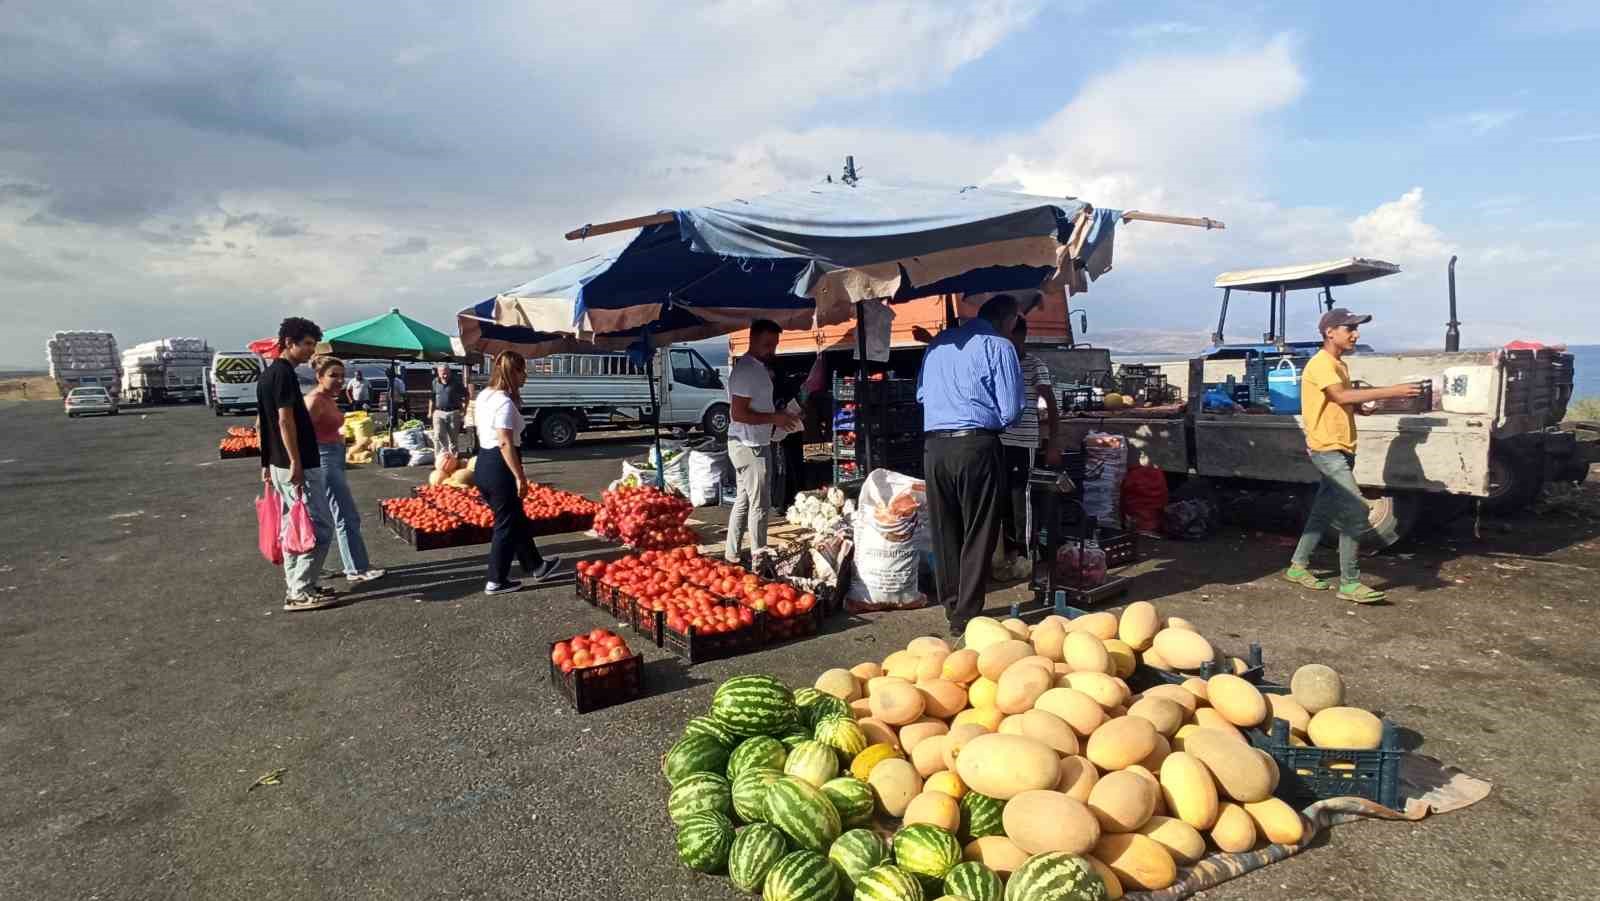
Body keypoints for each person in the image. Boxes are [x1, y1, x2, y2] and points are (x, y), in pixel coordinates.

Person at [1285, 308, 1423, 604]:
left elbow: (1339, 402)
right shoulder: (1322, 364)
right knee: (1356, 510)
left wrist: (1361, 408)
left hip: (1343, 448)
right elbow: (1341, 396)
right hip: (1327, 449)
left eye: (1356, 328)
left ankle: (1297, 566)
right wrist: (1393, 391)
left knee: (1323, 510)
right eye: (1349, 328)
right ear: (1329, 332)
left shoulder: (1338, 365)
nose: (1355, 333)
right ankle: (1349, 582)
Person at [918, 294, 1025, 636]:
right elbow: (1010, 410)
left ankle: (951, 603)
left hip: (934, 446)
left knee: (945, 527)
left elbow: (921, 395)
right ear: (1008, 321)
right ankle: (967, 613)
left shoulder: (937, 344)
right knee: (979, 527)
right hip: (976, 443)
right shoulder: (1000, 346)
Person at [258, 317, 339, 611]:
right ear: (289, 343)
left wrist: (266, 462)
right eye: (306, 344)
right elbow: (282, 420)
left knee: (294, 526)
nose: (310, 351)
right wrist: (295, 461)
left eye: (312, 345)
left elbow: (262, 425)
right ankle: (301, 590)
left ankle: (300, 584)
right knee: (319, 526)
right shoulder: (284, 376)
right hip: (297, 463)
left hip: (280, 463)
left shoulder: (268, 375)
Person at [474, 351, 559, 595]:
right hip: (499, 467)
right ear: (513, 372)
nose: (526, 377)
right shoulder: (503, 402)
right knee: (506, 524)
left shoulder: (484, 396)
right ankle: (495, 580)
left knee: (515, 518)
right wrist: (519, 476)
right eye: (523, 371)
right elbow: (505, 442)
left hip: (483, 464)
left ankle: (537, 565)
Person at [725, 319, 803, 566]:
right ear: (752, 340)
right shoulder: (746, 371)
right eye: (767, 344)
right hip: (749, 446)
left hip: (751, 442)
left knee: (744, 500)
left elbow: (757, 407)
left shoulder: (757, 368)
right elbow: (738, 413)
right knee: (760, 503)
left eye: (775, 344)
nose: (772, 350)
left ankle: (732, 553)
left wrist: (782, 415)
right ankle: (760, 556)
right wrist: (775, 418)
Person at [304, 356, 386, 584]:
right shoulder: (314, 401)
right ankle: (356, 568)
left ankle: (350, 565)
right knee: (345, 514)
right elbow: (301, 436)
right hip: (324, 461)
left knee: (342, 514)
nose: (340, 380)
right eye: (333, 376)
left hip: (335, 457)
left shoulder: (328, 398)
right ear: (319, 377)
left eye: (342, 375)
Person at [997, 316, 1062, 580]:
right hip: (997, 441)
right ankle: (1006, 551)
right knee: (1000, 499)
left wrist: (1053, 442)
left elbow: (1051, 404)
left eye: (1011, 337)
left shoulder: (1035, 365)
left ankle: (1026, 552)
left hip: (1023, 442)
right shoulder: (999, 363)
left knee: (1020, 497)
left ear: (1022, 336)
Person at [429, 364, 467, 456]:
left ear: (450, 372)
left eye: (446, 373)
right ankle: (441, 457)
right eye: (442, 373)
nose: (444, 375)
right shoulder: (435, 382)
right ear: (438, 373)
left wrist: (464, 409)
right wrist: (430, 411)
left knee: (453, 437)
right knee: (438, 435)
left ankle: (453, 457)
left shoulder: (456, 382)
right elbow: (432, 398)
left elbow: (466, 396)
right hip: (438, 412)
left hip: (453, 412)